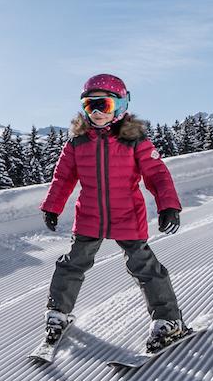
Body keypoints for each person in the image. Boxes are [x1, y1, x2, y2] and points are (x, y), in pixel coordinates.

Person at [39, 73, 190, 354]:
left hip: (127, 214)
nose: (95, 113)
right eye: (89, 106)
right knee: (72, 264)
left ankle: (169, 321)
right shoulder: (77, 142)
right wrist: (52, 206)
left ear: (120, 106)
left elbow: (156, 174)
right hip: (90, 215)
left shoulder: (134, 139)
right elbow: (63, 178)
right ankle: (58, 313)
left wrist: (168, 204)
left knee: (145, 267)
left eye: (103, 106)